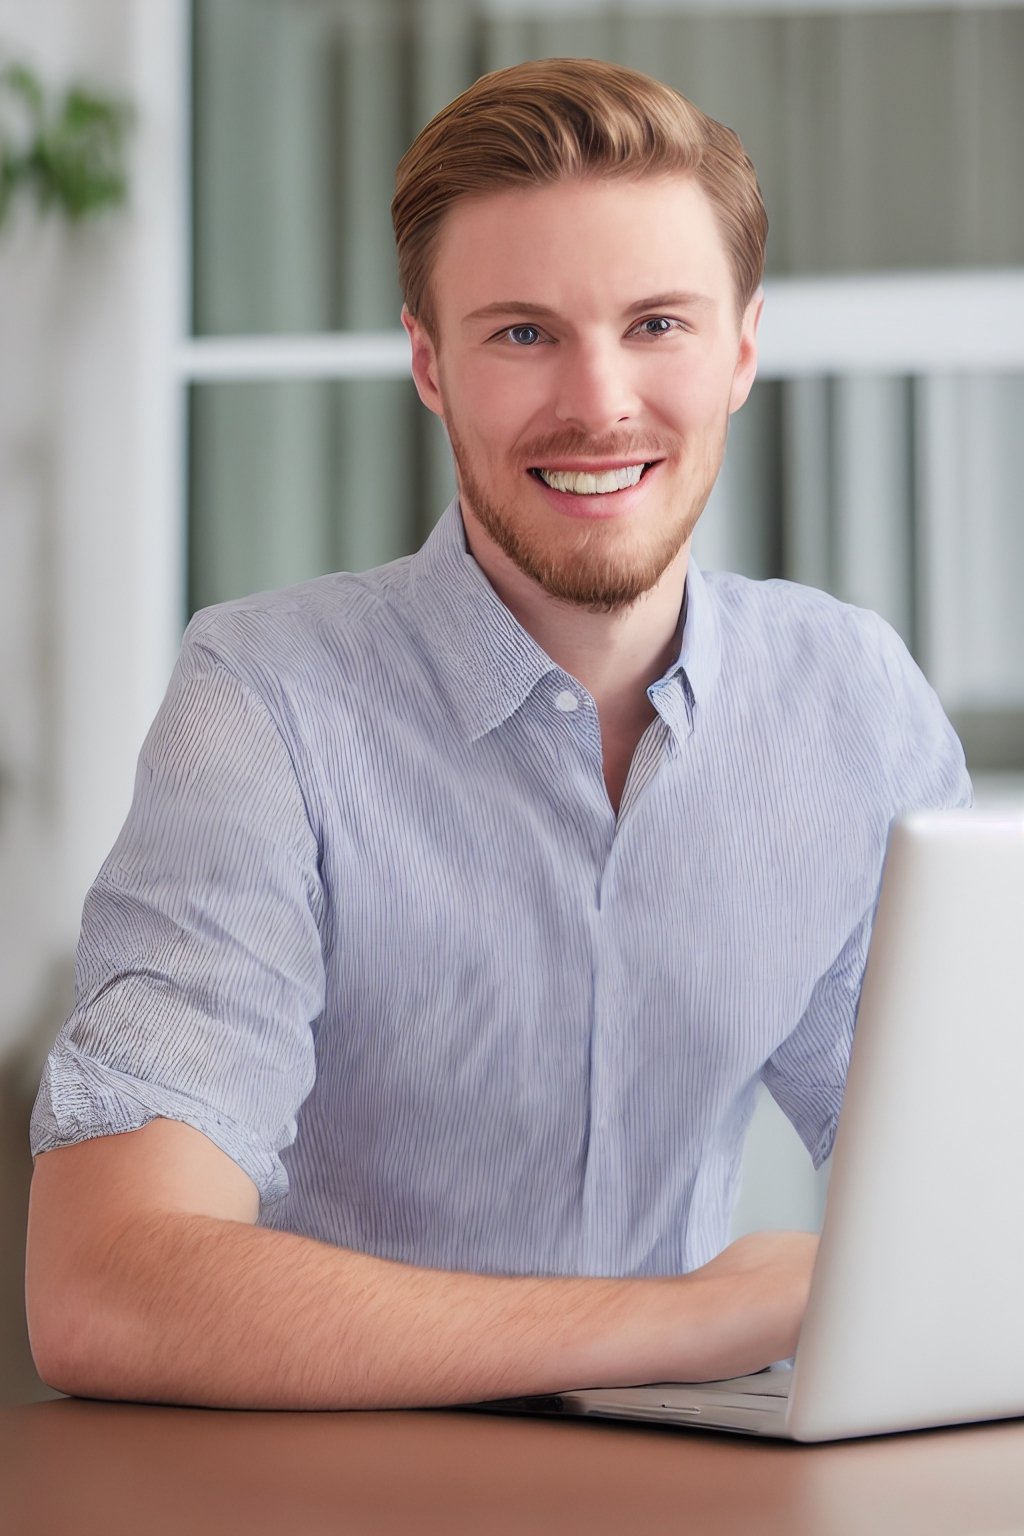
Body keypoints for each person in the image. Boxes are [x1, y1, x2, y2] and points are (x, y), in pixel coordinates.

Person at [25, 58, 969, 1411]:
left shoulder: (850, 701)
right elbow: (105, 1287)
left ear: (744, 349)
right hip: (324, 1495)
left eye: (657, 325)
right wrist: (688, 1321)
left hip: (687, 1496)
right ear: (429, 362)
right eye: (523, 333)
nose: (598, 402)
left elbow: (964, 1187)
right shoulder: (267, 705)